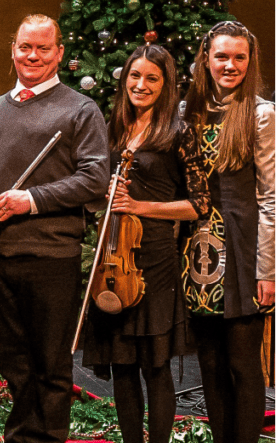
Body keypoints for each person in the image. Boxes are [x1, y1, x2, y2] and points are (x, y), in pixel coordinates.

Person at [0, 14, 109, 441]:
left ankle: (48, 437)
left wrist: (30, 200)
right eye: (24, 47)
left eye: (42, 48)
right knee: (13, 361)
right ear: (13, 50)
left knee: (51, 365)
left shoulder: (80, 109)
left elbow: (94, 178)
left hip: (52, 256)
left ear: (59, 54)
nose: (31, 56)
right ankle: (22, 437)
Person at [81, 45, 209, 442]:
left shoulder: (178, 132)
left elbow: (199, 205)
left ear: (166, 84)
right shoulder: (115, 127)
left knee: (155, 368)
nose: (141, 84)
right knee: (121, 364)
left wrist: (140, 204)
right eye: (135, 76)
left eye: (152, 78)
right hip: (113, 256)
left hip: (153, 260)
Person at [181, 20, 275, 443]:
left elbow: (272, 198)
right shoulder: (189, 112)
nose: (230, 64)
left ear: (249, 60)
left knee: (241, 363)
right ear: (206, 59)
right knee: (210, 364)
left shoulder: (260, 114)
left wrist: (268, 270)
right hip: (197, 252)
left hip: (241, 249)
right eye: (222, 56)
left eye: (239, 56)